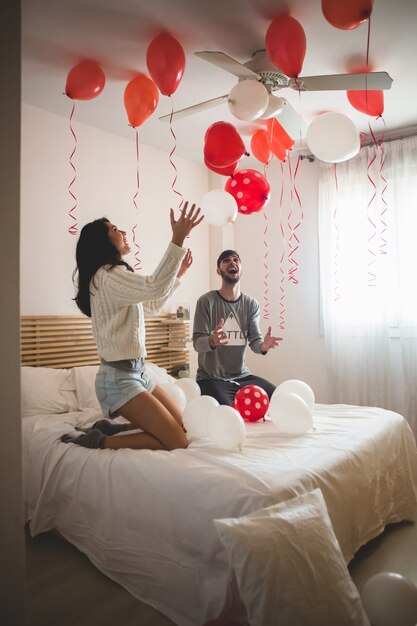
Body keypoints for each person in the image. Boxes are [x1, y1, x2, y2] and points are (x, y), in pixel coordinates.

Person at [61, 201, 203, 451]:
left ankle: (110, 428)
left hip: (138, 373)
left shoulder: (112, 276)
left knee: (184, 427)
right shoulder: (106, 275)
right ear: (102, 242)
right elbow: (153, 286)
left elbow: (151, 305)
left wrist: (177, 275)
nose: (123, 232)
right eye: (115, 228)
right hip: (117, 379)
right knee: (177, 442)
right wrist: (177, 239)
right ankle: (100, 440)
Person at [192, 249, 281, 405]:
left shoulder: (251, 304)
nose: (232, 262)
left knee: (279, 397)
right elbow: (197, 344)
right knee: (229, 410)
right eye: (226, 260)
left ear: (241, 268)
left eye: (236, 260)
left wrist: (263, 346)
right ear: (218, 271)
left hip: (242, 377)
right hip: (211, 379)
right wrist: (211, 341)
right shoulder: (206, 301)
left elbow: (255, 342)